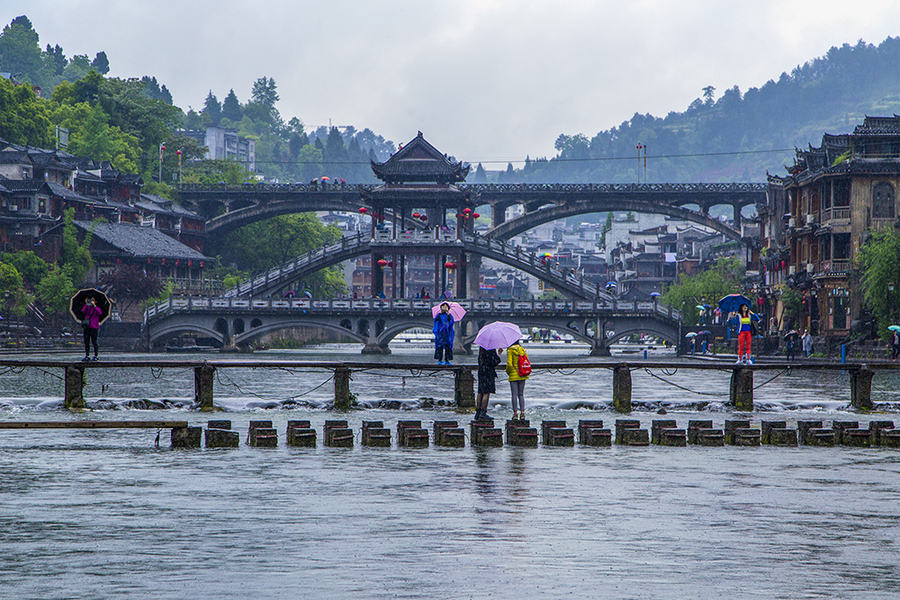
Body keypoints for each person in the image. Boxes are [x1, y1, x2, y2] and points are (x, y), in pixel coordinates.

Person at [475, 347, 502, 421]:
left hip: (481, 370)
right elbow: (494, 362)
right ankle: (483, 412)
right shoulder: (491, 348)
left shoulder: (481, 349)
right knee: (486, 392)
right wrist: (499, 354)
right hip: (488, 371)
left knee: (480, 392)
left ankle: (478, 412)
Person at [506, 339, 530, 420]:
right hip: (522, 374)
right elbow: (526, 361)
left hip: (514, 374)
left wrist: (509, 372)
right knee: (521, 394)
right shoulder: (522, 349)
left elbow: (509, 364)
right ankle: (522, 413)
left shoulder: (510, 350)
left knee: (514, 395)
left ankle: (515, 414)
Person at [81, 297, 103, 362]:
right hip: (87, 326)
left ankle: (96, 355)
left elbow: (100, 313)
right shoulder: (88, 308)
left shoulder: (97, 308)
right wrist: (86, 304)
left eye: (93, 300)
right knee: (86, 341)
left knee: (94, 341)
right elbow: (83, 311)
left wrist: (94, 306)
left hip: (94, 327)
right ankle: (87, 355)